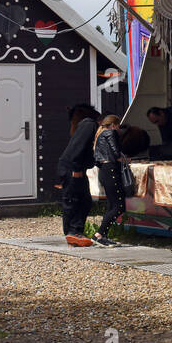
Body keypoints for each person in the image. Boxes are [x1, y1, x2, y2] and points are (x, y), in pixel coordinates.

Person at [57, 104, 100, 246]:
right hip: (73, 167)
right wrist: (76, 168)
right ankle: (73, 232)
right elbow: (79, 147)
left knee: (81, 199)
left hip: (73, 166)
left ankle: (73, 232)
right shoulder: (90, 125)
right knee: (76, 199)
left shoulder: (84, 125)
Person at [92, 114, 128, 247]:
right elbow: (116, 152)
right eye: (118, 126)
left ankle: (102, 235)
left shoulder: (99, 135)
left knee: (112, 205)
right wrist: (125, 159)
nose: (118, 129)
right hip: (112, 171)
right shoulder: (110, 133)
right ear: (113, 125)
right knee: (119, 206)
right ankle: (99, 234)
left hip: (104, 171)